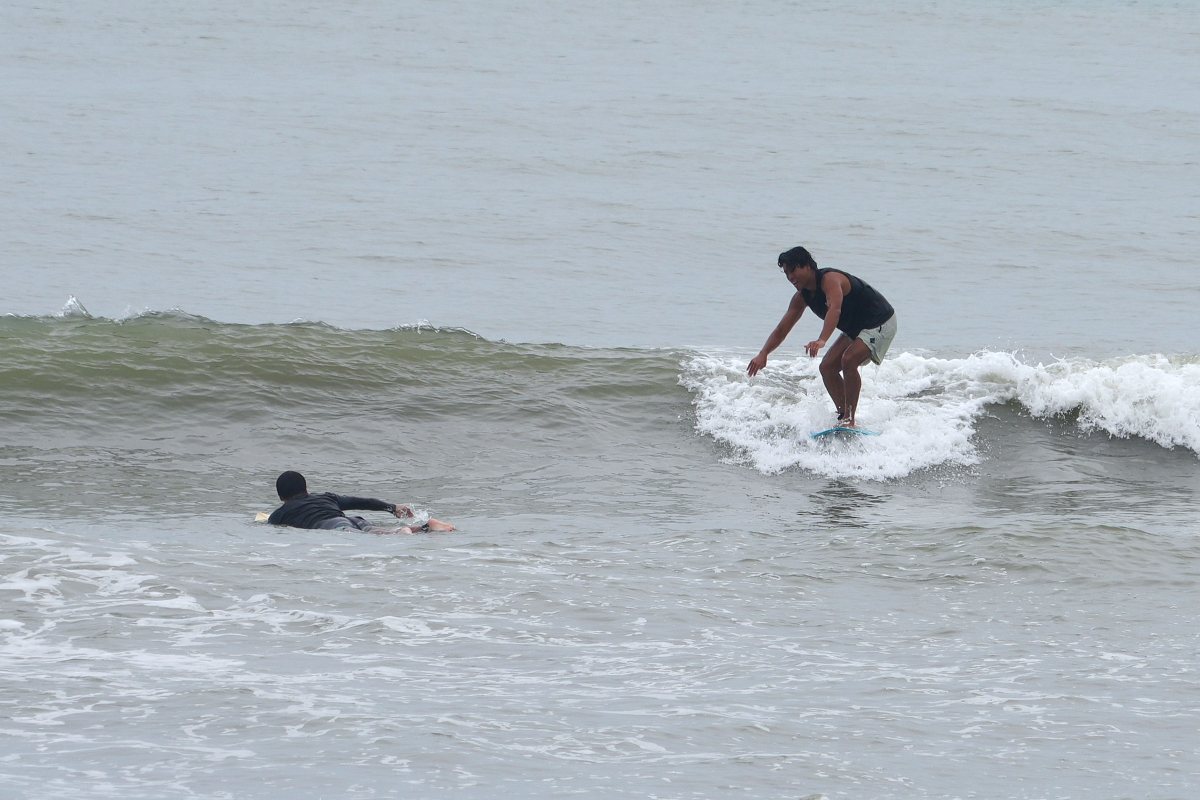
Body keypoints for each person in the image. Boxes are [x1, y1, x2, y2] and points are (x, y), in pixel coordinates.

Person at [747, 246, 897, 428]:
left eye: (793, 270)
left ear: (808, 266)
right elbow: (782, 328)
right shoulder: (801, 298)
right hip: (856, 328)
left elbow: (834, 309)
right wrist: (764, 353)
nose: (790, 277)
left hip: (880, 321)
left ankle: (850, 420)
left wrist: (822, 340)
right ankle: (844, 416)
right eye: (786, 273)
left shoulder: (831, 280)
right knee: (827, 367)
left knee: (848, 360)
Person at [267, 471, 455, 534]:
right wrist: (392, 508)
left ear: (281, 497)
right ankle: (425, 527)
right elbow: (361, 501)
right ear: (306, 488)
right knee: (374, 531)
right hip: (354, 519)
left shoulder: (280, 513)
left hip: (334, 527)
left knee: (384, 535)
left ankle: (405, 532)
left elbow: (275, 526)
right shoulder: (326, 497)